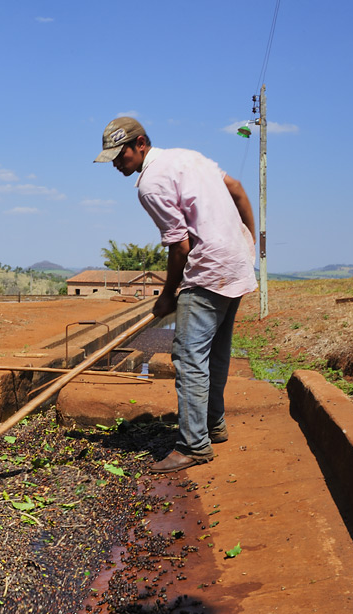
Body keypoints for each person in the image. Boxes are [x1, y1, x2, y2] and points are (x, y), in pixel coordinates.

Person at [94, 116, 257, 472]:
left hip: (208, 269)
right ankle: (213, 426)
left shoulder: (149, 184)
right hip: (235, 263)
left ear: (141, 144)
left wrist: (168, 294)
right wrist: (249, 243)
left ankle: (193, 446)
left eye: (121, 156)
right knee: (216, 352)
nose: (117, 165)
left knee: (189, 357)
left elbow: (180, 246)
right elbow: (239, 189)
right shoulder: (189, 157)